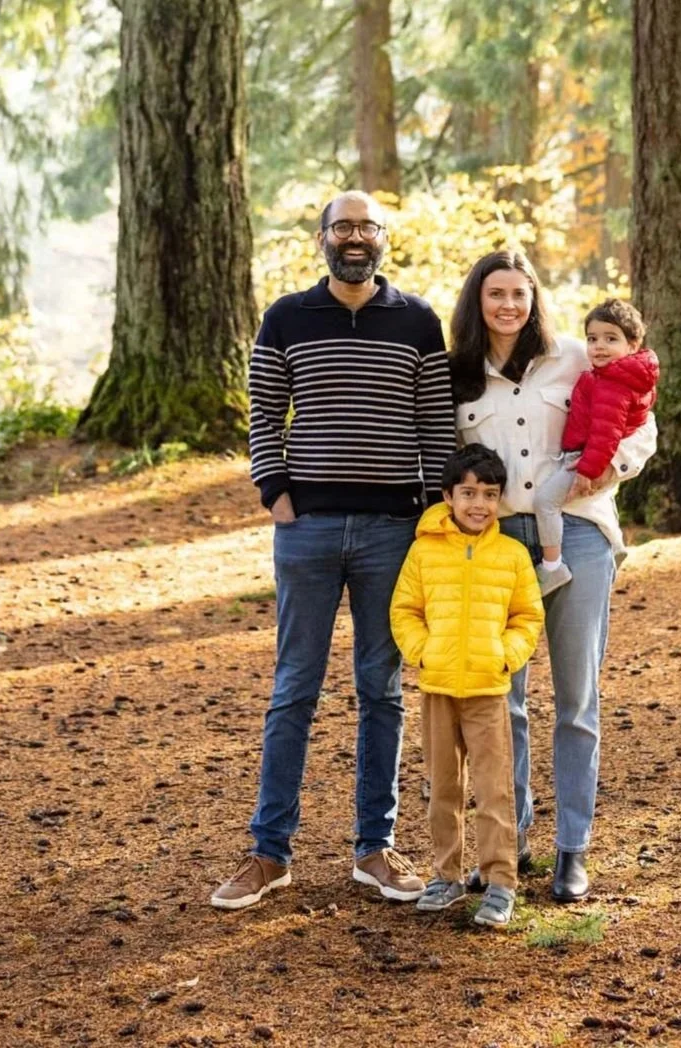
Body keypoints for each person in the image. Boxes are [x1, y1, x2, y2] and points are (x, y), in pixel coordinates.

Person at [211, 191, 456, 910]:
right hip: (308, 529)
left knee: (380, 690)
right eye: (343, 226)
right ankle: (268, 853)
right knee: (294, 689)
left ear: (383, 238)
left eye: (367, 226)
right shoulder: (287, 317)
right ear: (322, 237)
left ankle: (373, 850)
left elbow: (434, 421)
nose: (355, 236)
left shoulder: (418, 322)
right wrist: (273, 490)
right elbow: (263, 410)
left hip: (392, 532)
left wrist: (431, 509)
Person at [449, 250, 657, 902]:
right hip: (496, 545)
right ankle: (510, 839)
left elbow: (642, 422)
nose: (509, 305)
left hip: (581, 539)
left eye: (520, 292)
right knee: (501, 701)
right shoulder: (459, 373)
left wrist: (613, 464)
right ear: (478, 302)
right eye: (496, 294)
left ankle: (574, 848)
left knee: (576, 700)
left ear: (536, 298)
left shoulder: (576, 355)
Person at [390, 444, 544, 928]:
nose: (479, 504)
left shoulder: (512, 555)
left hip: (488, 690)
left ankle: (499, 882)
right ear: (447, 495)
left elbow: (527, 617)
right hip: (437, 687)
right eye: (469, 492)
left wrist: (506, 655)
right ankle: (446, 875)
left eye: (490, 494)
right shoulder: (423, 550)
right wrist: (422, 652)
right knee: (444, 788)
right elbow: (405, 611)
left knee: (495, 788)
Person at [533, 298, 659, 596]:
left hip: (586, 459)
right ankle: (614, 548)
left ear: (633, 344)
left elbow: (606, 433)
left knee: (545, 502)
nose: (599, 346)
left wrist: (588, 470)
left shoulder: (613, 384)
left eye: (610, 339)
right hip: (584, 455)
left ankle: (552, 568)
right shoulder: (613, 376)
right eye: (592, 339)